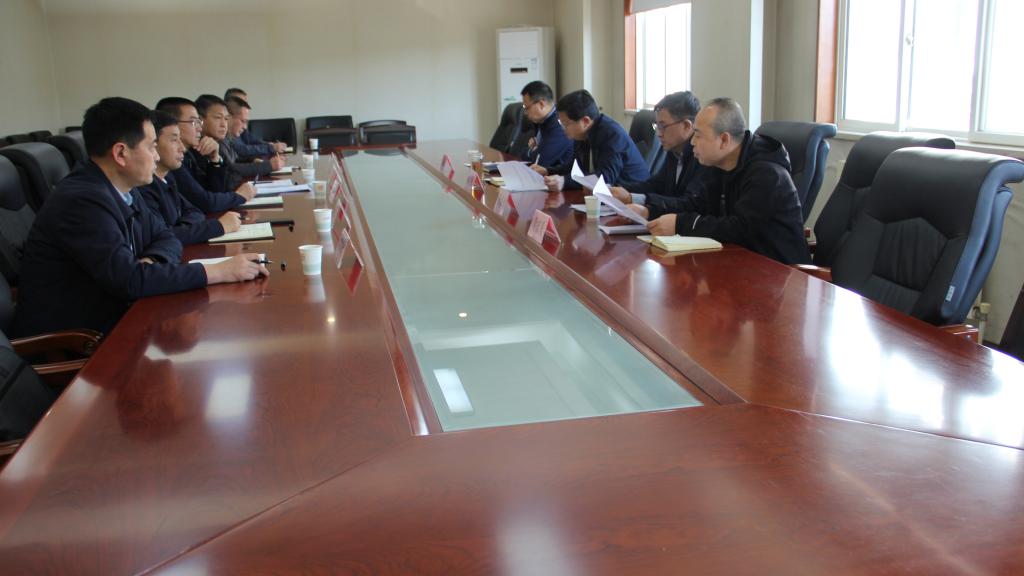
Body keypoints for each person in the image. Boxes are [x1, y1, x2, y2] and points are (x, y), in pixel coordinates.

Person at [11, 97, 268, 337]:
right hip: (78, 338)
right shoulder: (82, 201)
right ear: (120, 153)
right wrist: (219, 271)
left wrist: (152, 260)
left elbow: (166, 236)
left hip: (119, 315)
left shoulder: (123, 189)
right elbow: (130, 281)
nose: (156, 156)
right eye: (151, 146)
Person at [628, 97, 810, 265]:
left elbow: (739, 228)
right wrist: (650, 210)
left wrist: (680, 224)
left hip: (779, 273)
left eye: (698, 135)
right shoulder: (720, 165)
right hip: (738, 264)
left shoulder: (768, 175)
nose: (692, 142)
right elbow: (697, 205)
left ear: (723, 140)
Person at [139, 111, 241, 245]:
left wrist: (182, 229)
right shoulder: (143, 187)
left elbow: (195, 211)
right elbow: (161, 237)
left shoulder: (168, 177)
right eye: (174, 140)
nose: (182, 148)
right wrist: (218, 226)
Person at [608, 91, 717, 213]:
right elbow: (655, 185)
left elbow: (687, 203)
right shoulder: (674, 152)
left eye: (663, 126)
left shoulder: (703, 157)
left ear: (686, 126)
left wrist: (633, 198)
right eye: (657, 126)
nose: (658, 134)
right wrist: (617, 189)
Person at [155, 97, 254, 211]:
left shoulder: (189, 154)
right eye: (193, 122)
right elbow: (205, 202)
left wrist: (215, 160)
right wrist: (240, 196)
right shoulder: (171, 161)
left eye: (199, 122)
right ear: (172, 124)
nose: (199, 128)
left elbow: (214, 192)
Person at [544, 89, 649, 191]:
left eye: (566, 124)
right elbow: (575, 166)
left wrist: (565, 181)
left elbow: (605, 177)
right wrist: (548, 171)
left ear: (585, 121)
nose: (563, 129)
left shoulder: (612, 135)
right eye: (561, 123)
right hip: (604, 194)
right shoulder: (581, 134)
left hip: (630, 194)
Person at [519, 81, 573, 174]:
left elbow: (541, 161)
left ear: (541, 104)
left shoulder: (559, 124)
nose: (525, 113)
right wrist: (534, 150)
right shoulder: (542, 121)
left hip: (562, 179)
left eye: (527, 108)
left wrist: (532, 150)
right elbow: (522, 153)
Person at [224, 87, 286, 158]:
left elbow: (252, 140)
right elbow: (242, 150)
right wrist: (270, 148)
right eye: (241, 102)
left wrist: (269, 145)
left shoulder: (239, 128)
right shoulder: (226, 134)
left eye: (246, 102)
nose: (245, 105)